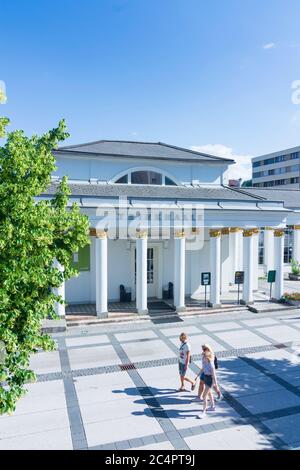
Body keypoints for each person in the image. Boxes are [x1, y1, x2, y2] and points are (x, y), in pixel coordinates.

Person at [196, 344, 219, 419]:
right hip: (205, 377)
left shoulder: (211, 364)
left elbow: (214, 375)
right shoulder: (204, 359)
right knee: (209, 393)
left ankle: (203, 412)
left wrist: (215, 384)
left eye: (204, 351)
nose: (203, 356)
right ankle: (213, 406)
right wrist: (197, 375)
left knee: (204, 395)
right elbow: (203, 368)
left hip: (210, 379)